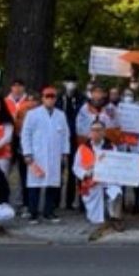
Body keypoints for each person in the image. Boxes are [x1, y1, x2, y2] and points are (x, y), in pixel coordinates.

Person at [21, 86, 68, 224]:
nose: (50, 99)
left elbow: (65, 134)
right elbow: (26, 134)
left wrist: (65, 152)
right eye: (47, 96)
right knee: (34, 184)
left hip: (55, 154)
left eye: (52, 96)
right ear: (42, 98)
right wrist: (27, 153)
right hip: (37, 155)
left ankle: (49, 211)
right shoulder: (33, 114)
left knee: (52, 184)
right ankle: (33, 213)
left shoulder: (61, 115)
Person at [71, 122, 123, 237]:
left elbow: (117, 164)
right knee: (95, 216)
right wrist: (85, 173)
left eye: (99, 130)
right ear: (90, 132)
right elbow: (76, 167)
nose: (96, 133)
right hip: (90, 183)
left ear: (104, 132)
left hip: (107, 180)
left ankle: (116, 219)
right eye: (93, 130)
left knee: (116, 192)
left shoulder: (111, 147)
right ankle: (99, 218)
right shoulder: (83, 148)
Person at [59, 76, 84, 211]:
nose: (71, 84)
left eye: (73, 82)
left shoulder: (82, 99)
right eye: (68, 81)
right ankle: (61, 201)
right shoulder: (58, 98)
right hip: (61, 137)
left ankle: (79, 200)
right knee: (60, 169)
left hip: (76, 137)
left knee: (77, 169)